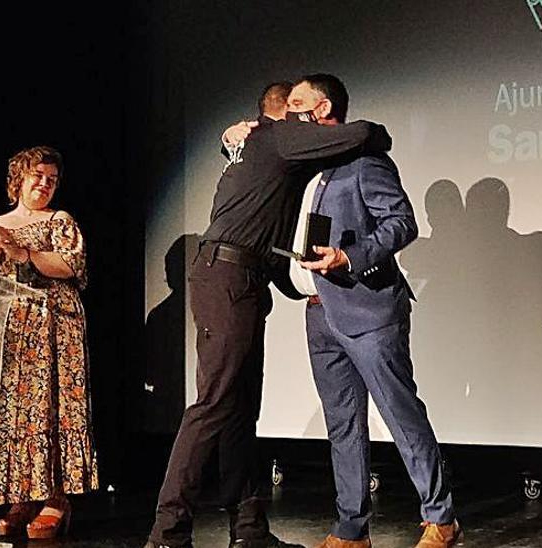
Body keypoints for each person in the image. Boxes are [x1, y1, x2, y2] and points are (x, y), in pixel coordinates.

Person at [147, 82, 392, 548]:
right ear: (287, 114)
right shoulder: (280, 134)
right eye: (297, 109)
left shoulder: (260, 147)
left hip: (242, 278)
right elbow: (363, 133)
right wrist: (375, 131)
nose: (308, 121)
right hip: (229, 276)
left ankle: (249, 528)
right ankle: (167, 532)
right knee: (215, 401)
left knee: (240, 408)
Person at [284, 74, 460, 547]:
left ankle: (440, 517)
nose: (287, 110)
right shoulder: (302, 169)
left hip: (368, 309)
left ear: (322, 111)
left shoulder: (363, 162)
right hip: (318, 311)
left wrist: (350, 257)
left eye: (296, 103)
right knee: (342, 423)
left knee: (399, 412)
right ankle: (351, 528)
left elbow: (402, 222)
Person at [0, 145, 98, 540]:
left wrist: (24, 252)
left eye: (52, 179)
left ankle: (56, 498)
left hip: (54, 327)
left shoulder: (59, 220)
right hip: (10, 330)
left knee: (52, 408)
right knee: (16, 411)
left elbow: (71, 265)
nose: (45, 184)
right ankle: (23, 495)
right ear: (18, 179)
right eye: (37, 176)